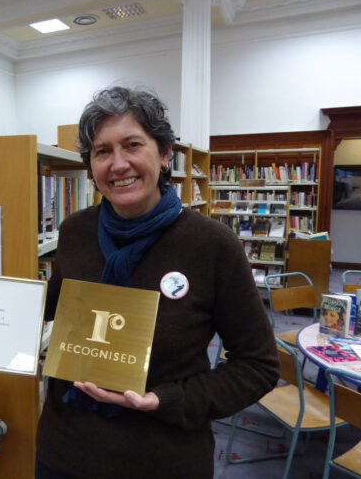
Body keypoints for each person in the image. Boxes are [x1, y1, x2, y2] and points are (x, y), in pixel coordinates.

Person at [35, 85, 279, 478]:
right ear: (91, 166)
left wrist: (164, 400)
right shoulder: (75, 231)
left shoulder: (212, 245)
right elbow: (62, 305)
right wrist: (9, 301)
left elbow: (258, 366)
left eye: (132, 145)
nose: (118, 164)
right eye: (102, 151)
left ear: (165, 155)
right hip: (65, 451)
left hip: (161, 457)